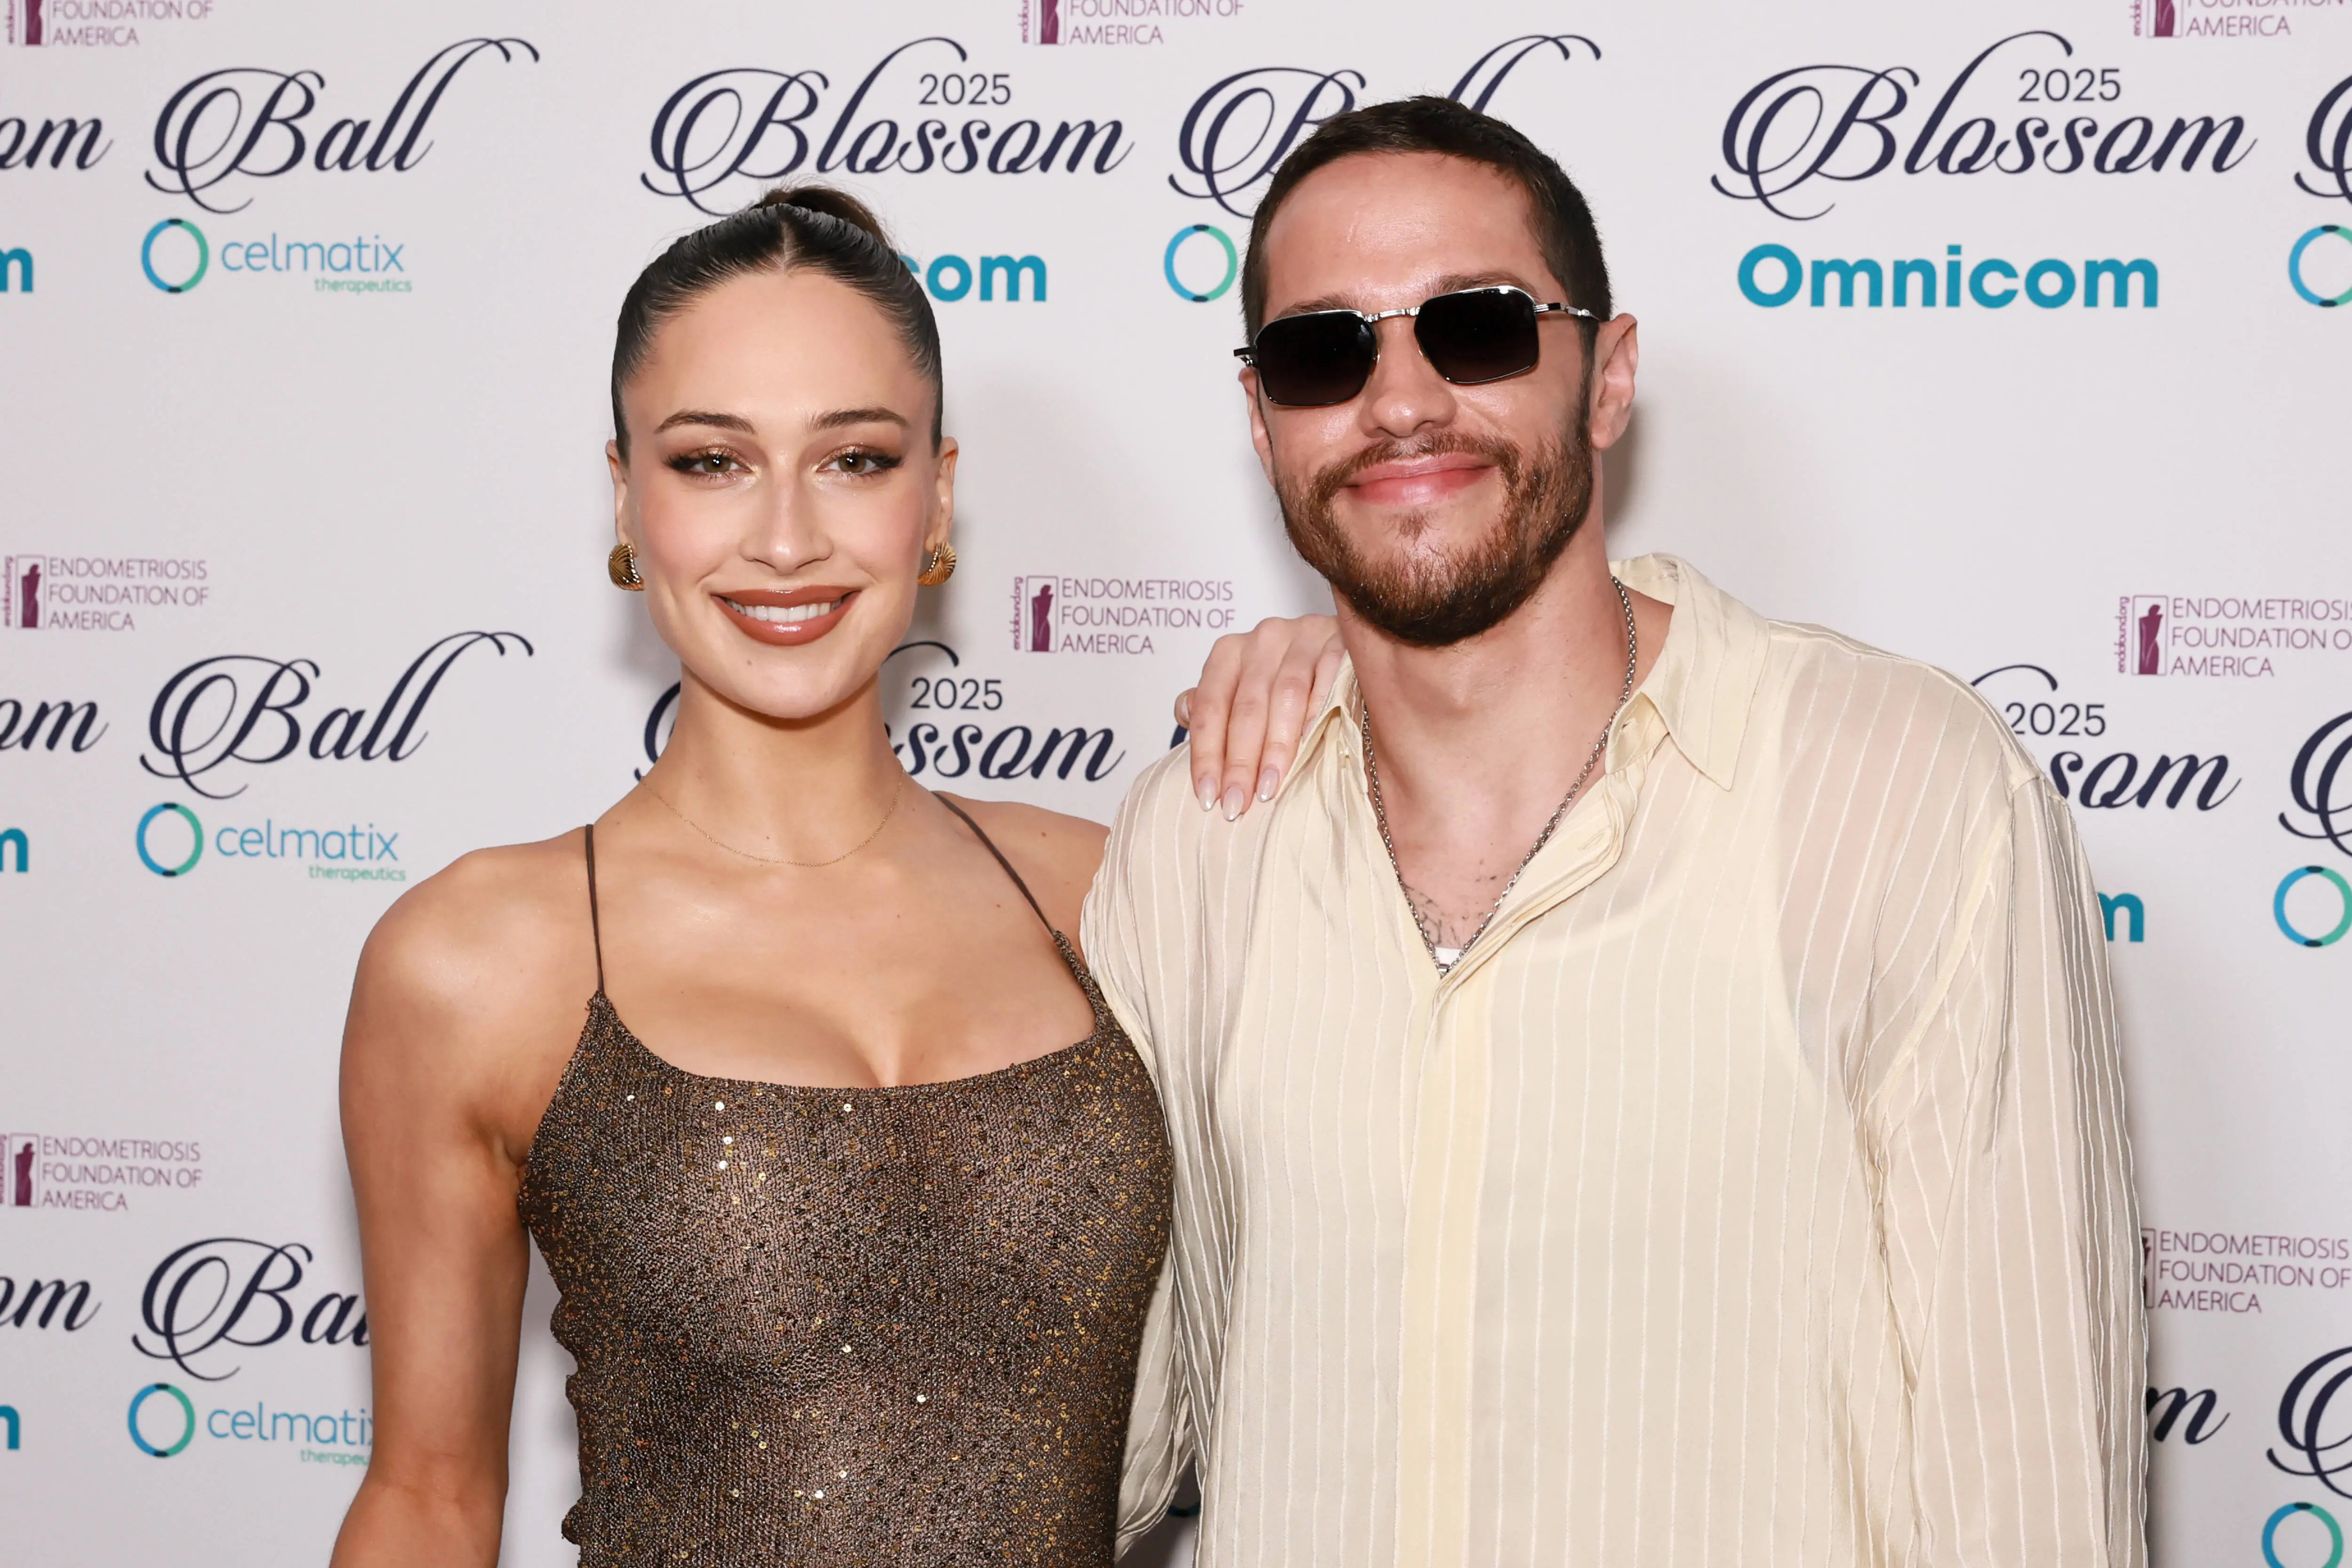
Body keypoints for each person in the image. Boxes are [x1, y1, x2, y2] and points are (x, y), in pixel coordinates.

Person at [1097, 98, 2147, 1566]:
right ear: (1263, 417)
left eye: (1475, 327)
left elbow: (2033, 1498)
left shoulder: (1906, 790)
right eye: (1324, 350)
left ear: (1609, 375)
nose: (1399, 401)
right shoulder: (1195, 839)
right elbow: (1103, 1440)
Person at [328, 186, 1335, 1568]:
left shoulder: (1110, 892)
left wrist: (1360, 675)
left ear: (938, 491)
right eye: (711, 462)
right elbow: (429, 1500)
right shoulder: (481, 957)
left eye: (855, 458)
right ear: (626, 495)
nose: (788, 536)